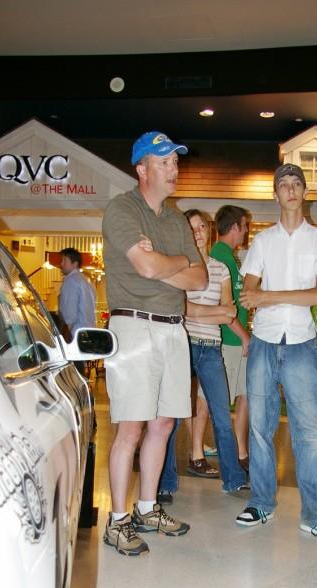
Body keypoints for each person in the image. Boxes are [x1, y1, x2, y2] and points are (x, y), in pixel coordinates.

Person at [101, 131, 207, 556]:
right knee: (131, 426)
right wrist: (174, 264)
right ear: (141, 169)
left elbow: (198, 279)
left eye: (175, 162)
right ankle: (118, 519)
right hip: (134, 326)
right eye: (164, 162)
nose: (174, 168)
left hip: (172, 328)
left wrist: (168, 263)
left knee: (163, 424)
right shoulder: (121, 209)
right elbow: (143, 267)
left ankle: (148, 508)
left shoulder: (177, 220)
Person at [235, 163, 317, 543]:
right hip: (265, 341)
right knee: (259, 428)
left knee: (313, 432)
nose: (291, 189)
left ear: (304, 192)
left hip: (300, 341)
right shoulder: (262, 243)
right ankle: (261, 503)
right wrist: (265, 298)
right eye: (284, 184)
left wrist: (268, 296)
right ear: (276, 194)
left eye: (297, 183)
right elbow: (247, 295)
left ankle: (316, 515)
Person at [159, 210, 247, 498]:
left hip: (211, 350)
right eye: (191, 227)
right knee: (171, 417)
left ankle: (232, 478)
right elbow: (181, 309)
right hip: (181, 346)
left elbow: (229, 312)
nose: (197, 232)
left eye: (200, 227)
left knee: (222, 415)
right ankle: (165, 483)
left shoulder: (220, 269)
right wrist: (213, 312)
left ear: (208, 231)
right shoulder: (178, 269)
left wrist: (201, 312)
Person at [210, 205, 251, 470]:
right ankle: (235, 454)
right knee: (223, 401)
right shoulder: (219, 256)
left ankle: (240, 451)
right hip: (229, 340)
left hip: (236, 340)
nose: (246, 231)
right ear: (235, 226)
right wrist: (244, 336)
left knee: (244, 395)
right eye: (245, 225)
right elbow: (223, 307)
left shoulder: (229, 256)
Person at [58, 247, 96, 339]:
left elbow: (70, 316)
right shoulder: (86, 280)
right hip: (90, 332)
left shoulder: (71, 280)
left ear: (75, 264)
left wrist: (65, 336)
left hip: (76, 334)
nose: (61, 264)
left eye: (64, 260)